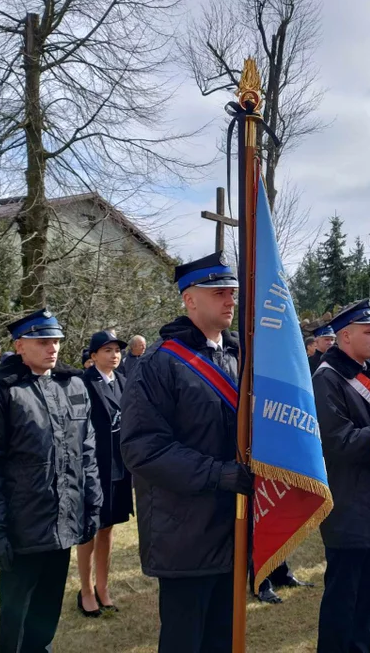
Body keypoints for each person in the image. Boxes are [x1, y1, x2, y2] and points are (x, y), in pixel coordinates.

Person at [120, 252, 247, 653]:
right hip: (185, 532)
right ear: (189, 299)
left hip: (234, 526)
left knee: (222, 639)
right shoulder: (159, 364)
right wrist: (219, 474)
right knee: (185, 642)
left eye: (232, 292)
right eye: (218, 293)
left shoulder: (240, 356)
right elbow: (143, 448)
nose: (230, 300)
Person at [0, 309, 101, 652]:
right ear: (20, 346)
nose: (52, 348)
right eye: (43, 341)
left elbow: (87, 452)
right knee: (16, 613)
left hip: (64, 522)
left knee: (47, 609)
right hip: (21, 527)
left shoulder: (72, 384)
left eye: (56, 340)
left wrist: (92, 505)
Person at [312, 299, 370, 652]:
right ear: (344, 336)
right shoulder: (328, 378)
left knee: (366, 600)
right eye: (369, 331)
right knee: (343, 601)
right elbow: (338, 442)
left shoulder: (368, 373)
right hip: (348, 506)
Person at [77, 330, 134, 617]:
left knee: (108, 527)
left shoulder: (123, 381)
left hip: (118, 466)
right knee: (89, 528)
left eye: (117, 350)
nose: (114, 355)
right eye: (107, 350)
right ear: (94, 354)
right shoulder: (84, 382)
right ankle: (85, 591)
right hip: (93, 466)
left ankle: (103, 586)